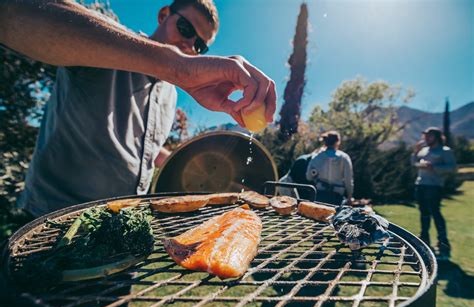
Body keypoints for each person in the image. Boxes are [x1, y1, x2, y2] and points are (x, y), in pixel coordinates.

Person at [0, 0, 276, 216]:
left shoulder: (169, 92)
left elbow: (146, 151)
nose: (190, 45)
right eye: (186, 29)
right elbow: (15, 12)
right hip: (56, 214)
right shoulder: (107, 44)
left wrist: (206, 171)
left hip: (124, 220)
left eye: (200, 45)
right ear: (163, 14)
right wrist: (176, 66)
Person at [411, 127, 456, 259]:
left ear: (437, 137)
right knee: (423, 213)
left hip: (434, 186)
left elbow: (452, 168)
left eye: (429, 136)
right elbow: (414, 164)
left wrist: (434, 167)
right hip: (420, 184)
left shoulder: (445, 151)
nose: (426, 138)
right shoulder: (424, 150)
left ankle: (443, 244)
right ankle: (424, 240)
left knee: (435, 213)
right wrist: (415, 151)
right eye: (425, 136)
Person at [306, 131, 353, 205]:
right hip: (337, 195)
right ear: (338, 142)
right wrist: (350, 197)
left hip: (320, 194)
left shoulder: (316, 157)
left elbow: (309, 177)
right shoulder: (344, 158)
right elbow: (348, 180)